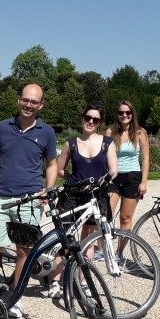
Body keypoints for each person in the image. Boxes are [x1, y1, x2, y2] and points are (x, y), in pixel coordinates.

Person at [0, 83, 58, 318]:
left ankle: (15, 297)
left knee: (24, 251)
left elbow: (52, 164)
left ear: (41, 105)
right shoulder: (3, 127)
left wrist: (49, 188)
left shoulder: (47, 132)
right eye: (25, 100)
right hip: (2, 198)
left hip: (30, 200)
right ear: (19, 100)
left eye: (34, 101)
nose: (28, 104)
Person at [49, 104, 117, 298]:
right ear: (82, 118)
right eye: (88, 118)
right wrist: (74, 181)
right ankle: (56, 279)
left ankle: (82, 280)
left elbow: (114, 169)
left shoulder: (107, 143)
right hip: (73, 195)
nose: (91, 122)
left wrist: (104, 180)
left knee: (88, 241)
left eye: (95, 120)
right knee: (66, 237)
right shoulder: (71, 143)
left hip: (95, 196)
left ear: (100, 123)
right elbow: (60, 168)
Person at [105, 100, 150, 241]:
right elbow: (103, 156)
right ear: (117, 115)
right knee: (106, 215)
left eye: (128, 112)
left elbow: (146, 159)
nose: (124, 115)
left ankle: (119, 253)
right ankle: (102, 249)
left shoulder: (140, 132)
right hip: (114, 176)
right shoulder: (111, 132)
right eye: (121, 112)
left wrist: (144, 182)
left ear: (132, 114)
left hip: (133, 177)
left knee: (125, 218)